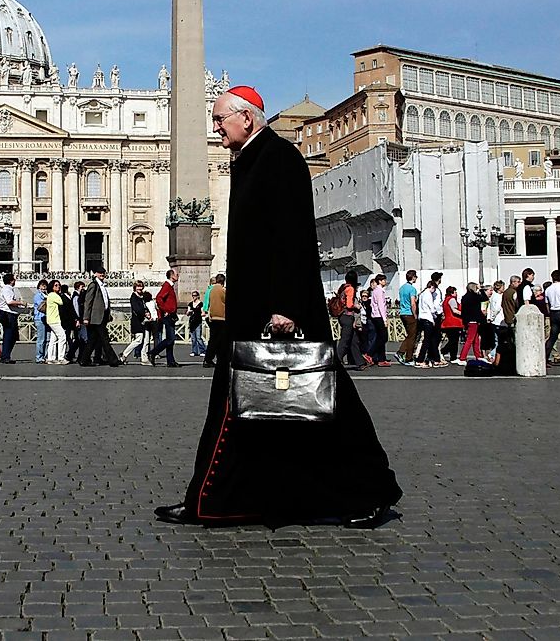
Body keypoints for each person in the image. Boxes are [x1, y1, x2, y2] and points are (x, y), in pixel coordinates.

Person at [155, 85, 401, 527]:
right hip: (252, 308)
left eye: (219, 120)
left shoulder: (280, 159)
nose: (214, 129)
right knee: (252, 410)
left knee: (325, 402)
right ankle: (220, 500)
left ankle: (372, 491)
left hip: (279, 311)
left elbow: (291, 238)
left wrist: (285, 305)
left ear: (245, 117)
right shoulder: (252, 159)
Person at [79, 267, 120, 367]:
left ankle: (84, 360)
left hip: (102, 316)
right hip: (96, 317)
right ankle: (113, 360)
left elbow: (105, 301)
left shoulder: (102, 285)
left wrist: (108, 314)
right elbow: (88, 302)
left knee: (93, 340)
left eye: (103, 273)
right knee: (105, 339)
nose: (102, 274)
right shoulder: (93, 285)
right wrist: (86, 317)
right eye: (100, 273)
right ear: (95, 274)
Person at [148, 268, 181, 367]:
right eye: (176, 274)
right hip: (168, 316)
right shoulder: (167, 285)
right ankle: (153, 353)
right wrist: (166, 310)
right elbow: (159, 298)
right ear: (172, 276)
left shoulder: (169, 286)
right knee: (170, 339)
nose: (178, 276)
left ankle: (170, 361)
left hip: (170, 315)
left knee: (170, 340)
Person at [0, 273, 26, 364]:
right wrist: (21, 303)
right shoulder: (7, 289)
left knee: (10, 335)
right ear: (11, 281)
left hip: (7, 313)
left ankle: (5, 354)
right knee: (10, 335)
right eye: (14, 279)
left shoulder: (7, 289)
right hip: (8, 314)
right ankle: (5, 356)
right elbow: (9, 301)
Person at [415, 277, 445, 368]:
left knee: (430, 339)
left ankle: (436, 359)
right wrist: (436, 315)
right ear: (431, 286)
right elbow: (431, 308)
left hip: (422, 317)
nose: (434, 291)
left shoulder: (422, 294)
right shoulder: (428, 294)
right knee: (428, 340)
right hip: (428, 318)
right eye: (434, 289)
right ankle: (420, 360)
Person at [366, 274, 390, 366]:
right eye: (383, 280)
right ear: (379, 281)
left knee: (380, 337)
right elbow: (381, 306)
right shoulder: (379, 291)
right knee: (383, 337)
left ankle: (381, 359)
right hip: (379, 316)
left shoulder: (375, 291)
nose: (385, 282)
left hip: (375, 316)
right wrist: (384, 319)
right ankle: (370, 353)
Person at [457, 282, 484, 364]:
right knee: (470, 339)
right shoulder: (475, 297)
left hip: (468, 320)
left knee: (476, 339)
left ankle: (478, 355)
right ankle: (462, 357)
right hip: (474, 320)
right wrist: (481, 290)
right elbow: (484, 298)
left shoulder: (465, 297)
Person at [396, 270, 419, 365]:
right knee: (412, 336)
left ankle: (402, 353)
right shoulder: (412, 289)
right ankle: (407, 357)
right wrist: (415, 315)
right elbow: (413, 303)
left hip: (402, 312)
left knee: (409, 335)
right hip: (409, 313)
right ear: (413, 277)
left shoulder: (402, 288)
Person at [205, 273, 226, 369]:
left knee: (213, 340)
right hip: (221, 318)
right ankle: (214, 359)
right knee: (220, 341)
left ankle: (208, 359)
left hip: (213, 317)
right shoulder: (222, 290)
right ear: (223, 281)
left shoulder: (212, 290)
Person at [44, 280, 68, 364]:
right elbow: (61, 302)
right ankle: (61, 357)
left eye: (59, 285)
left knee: (53, 340)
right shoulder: (53, 295)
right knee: (62, 337)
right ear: (52, 287)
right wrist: (61, 293)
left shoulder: (50, 295)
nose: (58, 287)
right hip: (55, 320)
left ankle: (51, 357)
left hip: (51, 319)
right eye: (56, 285)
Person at [125, 281, 149, 362]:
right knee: (138, 340)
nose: (140, 288)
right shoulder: (133, 297)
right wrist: (145, 314)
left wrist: (148, 312)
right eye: (138, 286)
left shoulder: (143, 296)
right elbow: (137, 309)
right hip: (137, 321)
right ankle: (124, 354)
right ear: (135, 287)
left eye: (141, 286)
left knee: (146, 340)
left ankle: (144, 358)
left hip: (145, 321)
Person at [440, 286, 464, 364]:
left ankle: (451, 356)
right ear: (452, 292)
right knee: (454, 341)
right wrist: (465, 314)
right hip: (453, 323)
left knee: (453, 341)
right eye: (455, 292)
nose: (456, 293)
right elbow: (455, 310)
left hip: (448, 323)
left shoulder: (445, 300)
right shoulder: (452, 299)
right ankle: (445, 353)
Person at [32, 279, 50, 364]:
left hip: (47, 318)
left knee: (47, 339)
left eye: (45, 285)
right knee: (41, 339)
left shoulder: (47, 295)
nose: (44, 287)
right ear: (39, 286)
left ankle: (45, 356)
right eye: (42, 285)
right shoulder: (37, 296)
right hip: (40, 318)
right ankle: (39, 357)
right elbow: (42, 307)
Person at [187, 291, 206, 359]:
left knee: (198, 337)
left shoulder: (200, 304)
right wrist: (189, 312)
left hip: (198, 321)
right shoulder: (190, 304)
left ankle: (203, 351)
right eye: (192, 295)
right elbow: (187, 313)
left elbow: (203, 312)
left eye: (195, 295)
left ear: (198, 296)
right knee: (193, 338)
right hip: (192, 322)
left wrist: (198, 314)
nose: (193, 297)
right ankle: (194, 351)